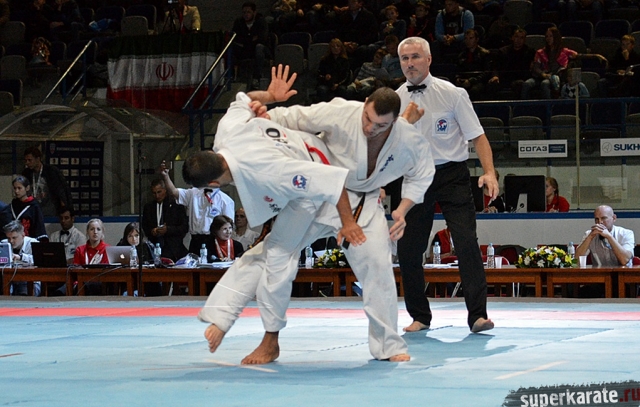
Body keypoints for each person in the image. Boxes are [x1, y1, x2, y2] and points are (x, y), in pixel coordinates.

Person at [197, 65, 433, 365]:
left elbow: (422, 172)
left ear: (394, 123)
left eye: (380, 125)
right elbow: (296, 117)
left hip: (358, 201)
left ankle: (388, 345)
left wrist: (402, 210)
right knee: (272, 256)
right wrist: (268, 112)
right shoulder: (341, 112)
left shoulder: (408, 139)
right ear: (364, 105)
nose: (369, 128)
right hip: (311, 195)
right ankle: (255, 333)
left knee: (378, 266)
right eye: (367, 118)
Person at [395, 36, 497, 333]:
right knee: (408, 249)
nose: (410, 63)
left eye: (415, 57)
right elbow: (386, 146)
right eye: (404, 58)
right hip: (414, 176)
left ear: (428, 59)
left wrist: (489, 172)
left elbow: (478, 135)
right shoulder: (395, 99)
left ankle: (478, 316)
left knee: (465, 242)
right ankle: (419, 316)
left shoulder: (453, 93)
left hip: (451, 173)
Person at [160, 169, 234, 255]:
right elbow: (174, 192)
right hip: (195, 240)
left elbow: (229, 225)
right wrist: (166, 176)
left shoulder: (226, 200)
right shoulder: (193, 193)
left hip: (213, 239)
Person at [521, 27, 577, 100]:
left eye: (551, 36)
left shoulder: (563, 51)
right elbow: (536, 67)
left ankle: (548, 106)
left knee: (545, 84)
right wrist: (543, 74)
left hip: (554, 77)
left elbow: (575, 54)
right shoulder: (540, 52)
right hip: (540, 76)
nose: (548, 38)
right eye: (547, 36)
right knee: (526, 84)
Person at [141, 178, 189, 262]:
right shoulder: (148, 207)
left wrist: (168, 229)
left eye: (159, 192)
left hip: (173, 249)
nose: (157, 196)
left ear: (165, 190)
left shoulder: (176, 206)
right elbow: (144, 227)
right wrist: (152, 231)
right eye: (154, 193)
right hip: (154, 247)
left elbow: (184, 228)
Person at [22, 146, 72, 217]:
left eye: (30, 160)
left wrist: (64, 209)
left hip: (50, 213)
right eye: (25, 160)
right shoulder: (26, 174)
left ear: (38, 159)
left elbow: (60, 191)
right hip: (33, 213)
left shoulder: (51, 171)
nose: (27, 163)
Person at [231, 1, 270, 87]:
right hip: (245, 50)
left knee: (259, 47)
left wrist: (245, 41)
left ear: (254, 13)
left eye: (248, 12)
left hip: (259, 49)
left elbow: (262, 39)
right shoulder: (239, 22)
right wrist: (251, 39)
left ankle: (257, 78)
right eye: (244, 12)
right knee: (231, 48)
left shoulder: (261, 22)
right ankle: (232, 76)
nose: (246, 14)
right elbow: (235, 38)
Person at [489, 28, 536, 99]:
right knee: (492, 84)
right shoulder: (503, 51)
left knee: (520, 85)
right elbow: (495, 66)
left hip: (520, 79)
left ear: (525, 40)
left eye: (521, 38)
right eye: (516, 37)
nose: (518, 40)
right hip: (504, 78)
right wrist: (495, 76)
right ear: (512, 37)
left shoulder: (530, 52)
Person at [454, 28, 494, 101]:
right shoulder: (462, 55)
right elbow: (458, 70)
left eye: (471, 38)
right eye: (466, 38)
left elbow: (487, 72)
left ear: (477, 39)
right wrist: (458, 78)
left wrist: (471, 81)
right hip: (464, 81)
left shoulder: (484, 54)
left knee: (474, 90)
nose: (468, 41)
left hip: (479, 82)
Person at [3, 220, 39, 296]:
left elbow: (39, 260)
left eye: (14, 238)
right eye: (8, 238)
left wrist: (21, 257)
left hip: (30, 282)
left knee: (23, 294)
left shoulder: (33, 243)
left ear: (23, 235)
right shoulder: (3, 244)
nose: (11, 241)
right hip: (9, 281)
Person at [10, 175, 47, 241]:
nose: (16, 191)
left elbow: (39, 227)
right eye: (15, 188)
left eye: (19, 188)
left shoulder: (34, 206)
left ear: (27, 188)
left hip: (29, 241)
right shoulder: (13, 205)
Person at [315, 38, 351, 102]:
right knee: (322, 89)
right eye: (333, 47)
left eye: (338, 46)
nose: (335, 48)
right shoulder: (325, 60)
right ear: (330, 48)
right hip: (326, 83)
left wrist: (338, 84)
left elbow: (346, 76)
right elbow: (319, 74)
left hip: (340, 83)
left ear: (341, 48)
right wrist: (325, 77)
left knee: (342, 89)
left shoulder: (345, 61)